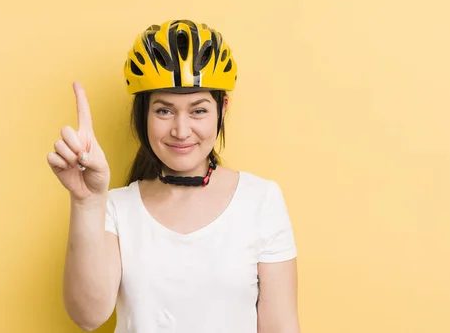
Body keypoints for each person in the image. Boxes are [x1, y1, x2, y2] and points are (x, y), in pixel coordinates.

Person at [47, 19, 300, 333]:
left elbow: (281, 327)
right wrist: (86, 202)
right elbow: (88, 316)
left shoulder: (261, 200)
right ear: (144, 114)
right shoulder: (114, 207)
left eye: (198, 110)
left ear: (222, 109)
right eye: (164, 110)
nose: (181, 131)